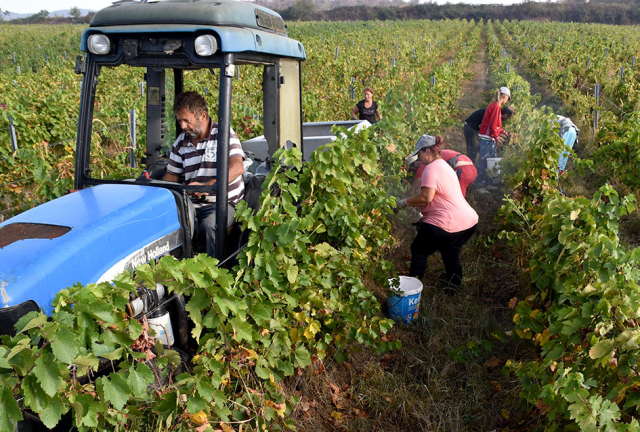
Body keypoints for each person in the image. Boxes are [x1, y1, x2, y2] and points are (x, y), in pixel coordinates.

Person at [163, 91, 245, 257]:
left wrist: (208, 187)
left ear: (203, 116)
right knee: (165, 225)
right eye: (180, 120)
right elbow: (170, 178)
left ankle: (213, 274)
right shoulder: (180, 143)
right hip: (191, 205)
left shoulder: (223, 135)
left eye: (186, 120)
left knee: (209, 226)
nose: (182, 126)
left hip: (223, 203)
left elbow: (237, 167)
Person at [396, 135, 479, 290]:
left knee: (419, 249)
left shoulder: (431, 168)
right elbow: (440, 198)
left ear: (427, 151)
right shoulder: (444, 165)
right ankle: (452, 290)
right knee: (450, 253)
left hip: (448, 222)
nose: (419, 160)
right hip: (468, 222)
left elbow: (426, 197)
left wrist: (403, 202)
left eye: (419, 155)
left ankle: (411, 289)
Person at [406, 148, 477, 198]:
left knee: (456, 199)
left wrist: (405, 198)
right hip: (472, 169)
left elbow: (414, 186)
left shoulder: (423, 164)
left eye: (412, 169)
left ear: (415, 163)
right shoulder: (434, 155)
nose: (413, 171)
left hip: (463, 170)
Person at [477, 87, 511, 185]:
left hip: (488, 137)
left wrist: (503, 132)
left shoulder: (495, 105)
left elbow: (495, 125)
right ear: (504, 96)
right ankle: (479, 184)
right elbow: (492, 125)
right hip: (486, 138)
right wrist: (496, 138)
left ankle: (487, 183)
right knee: (484, 161)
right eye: (507, 99)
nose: (506, 101)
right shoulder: (496, 107)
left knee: (489, 160)